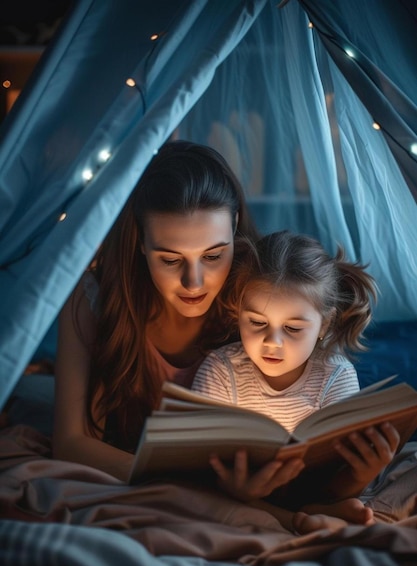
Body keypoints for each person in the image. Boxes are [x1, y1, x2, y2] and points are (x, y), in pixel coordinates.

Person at [53, 140, 307, 498]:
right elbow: (69, 443)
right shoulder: (93, 298)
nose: (194, 283)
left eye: (213, 255)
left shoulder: (261, 299)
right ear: (141, 242)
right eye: (170, 260)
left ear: (234, 227)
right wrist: (189, 486)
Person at [192, 230, 400, 531]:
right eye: (257, 323)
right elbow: (198, 467)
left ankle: (311, 512)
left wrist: (363, 472)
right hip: (234, 496)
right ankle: (301, 518)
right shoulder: (220, 370)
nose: (272, 341)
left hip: (316, 492)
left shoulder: (335, 376)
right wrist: (238, 490)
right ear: (238, 312)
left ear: (323, 325)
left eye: (292, 328)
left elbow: (337, 472)